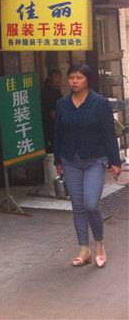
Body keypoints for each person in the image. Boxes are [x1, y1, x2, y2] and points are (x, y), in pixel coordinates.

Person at [54, 63, 122, 268]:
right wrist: (58, 160)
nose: (74, 81)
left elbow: (109, 133)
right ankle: (84, 249)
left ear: (87, 80)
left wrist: (115, 161)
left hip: (95, 159)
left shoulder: (99, 103)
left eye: (79, 78)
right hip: (70, 160)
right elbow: (58, 133)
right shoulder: (62, 104)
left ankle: (99, 244)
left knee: (91, 204)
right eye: (71, 78)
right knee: (77, 206)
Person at [41, 70, 63, 152]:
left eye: (59, 77)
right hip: (50, 124)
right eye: (56, 77)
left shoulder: (56, 89)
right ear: (51, 78)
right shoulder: (49, 91)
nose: (58, 80)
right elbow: (52, 112)